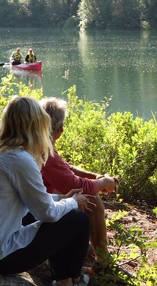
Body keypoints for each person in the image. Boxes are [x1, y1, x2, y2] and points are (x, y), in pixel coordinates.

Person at [0, 96, 94, 286]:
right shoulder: (20, 159)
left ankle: (63, 277)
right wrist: (73, 201)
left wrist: (61, 198)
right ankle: (71, 280)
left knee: (61, 210)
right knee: (78, 219)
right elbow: (48, 213)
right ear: (36, 126)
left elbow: (26, 198)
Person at [39, 97, 120, 272]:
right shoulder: (44, 151)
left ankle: (89, 248)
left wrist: (96, 176)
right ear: (59, 129)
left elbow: (65, 169)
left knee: (85, 194)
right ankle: (103, 262)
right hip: (35, 213)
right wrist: (104, 182)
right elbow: (74, 184)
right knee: (91, 199)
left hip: (34, 208)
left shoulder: (38, 144)